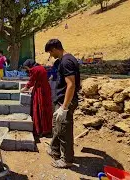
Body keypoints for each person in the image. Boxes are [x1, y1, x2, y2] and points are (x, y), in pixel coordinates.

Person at [45, 39, 80, 168]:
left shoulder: (66, 62)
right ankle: (55, 151)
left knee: (64, 130)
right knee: (57, 126)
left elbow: (71, 85)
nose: (50, 55)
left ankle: (67, 159)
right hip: (61, 99)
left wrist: (64, 107)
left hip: (65, 101)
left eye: (50, 52)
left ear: (55, 48)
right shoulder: (63, 61)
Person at [20, 59, 53, 137]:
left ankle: (40, 130)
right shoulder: (41, 67)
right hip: (46, 89)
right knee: (46, 108)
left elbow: (31, 82)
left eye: (26, 67)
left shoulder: (34, 69)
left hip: (40, 91)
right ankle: (47, 129)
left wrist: (22, 90)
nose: (27, 69)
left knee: (38, 108)